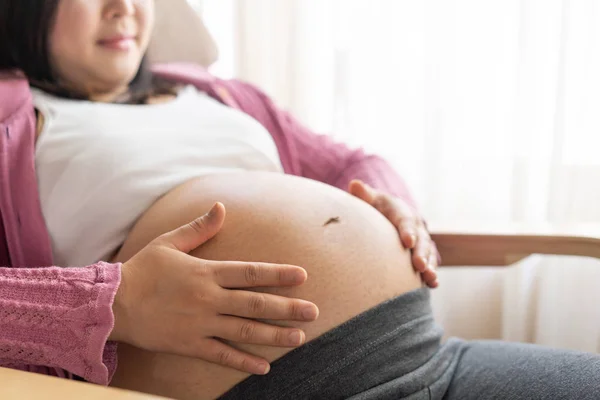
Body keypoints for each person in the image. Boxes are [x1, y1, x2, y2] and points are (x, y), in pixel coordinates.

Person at [0, 1, 598, 400]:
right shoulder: (13, 113)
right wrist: (113, 305)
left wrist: (387, 202)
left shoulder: (214, 93)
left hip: (425, 356)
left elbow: (349, 163)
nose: (125, 7)